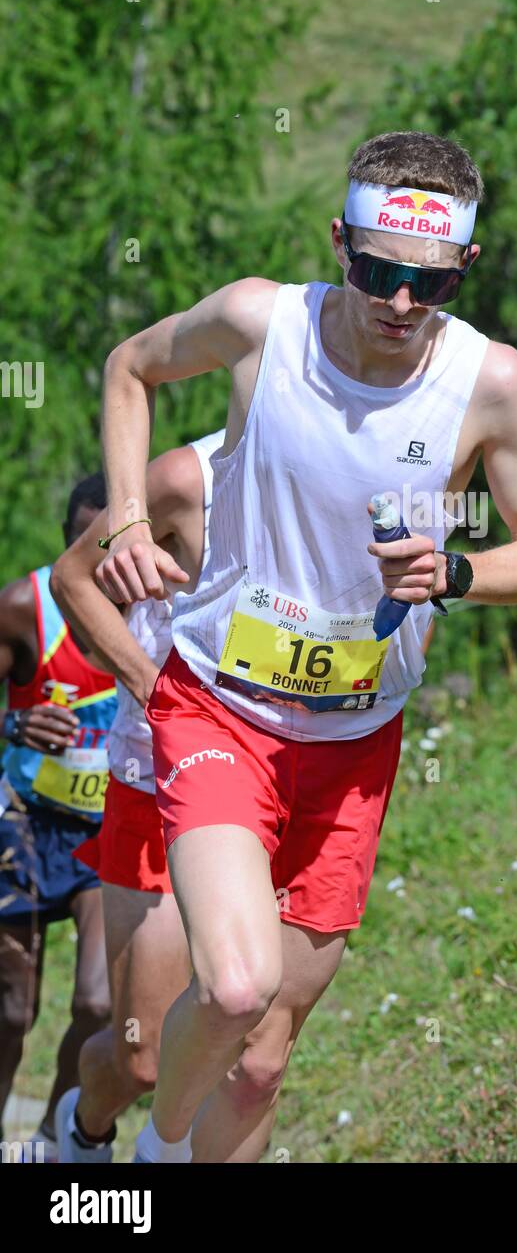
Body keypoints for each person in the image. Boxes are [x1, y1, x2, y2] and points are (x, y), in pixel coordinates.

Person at [96, 129, 517, 1163]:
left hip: (357, 745)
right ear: (338, 244)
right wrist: (128, 518)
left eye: (427, 282)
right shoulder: (263, 320)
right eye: (375, 271)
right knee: (232, 985)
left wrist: (455, 573)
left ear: (465, 269)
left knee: (262, 1060)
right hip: (219, 703)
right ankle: (153, 1155)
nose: (399, 302)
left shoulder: (490, 381)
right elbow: (129, 368)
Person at [47, 432, 223, 1163]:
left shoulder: (354, 469)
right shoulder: (192, 477)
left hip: (286, 781)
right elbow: (74, 581)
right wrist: (164, 702)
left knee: (248, 1053)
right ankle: (84, 1126)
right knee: (142, 1057)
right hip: (156, 782)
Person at [0, 476, 116, 1160]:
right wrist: (15, 724)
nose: (101, 564)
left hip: (107, 830)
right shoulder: (23, 606)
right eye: (84, 545)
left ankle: (54, 1143)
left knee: (100, 1006)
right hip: (20, 822)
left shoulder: (166, 609)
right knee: (12, 1009)